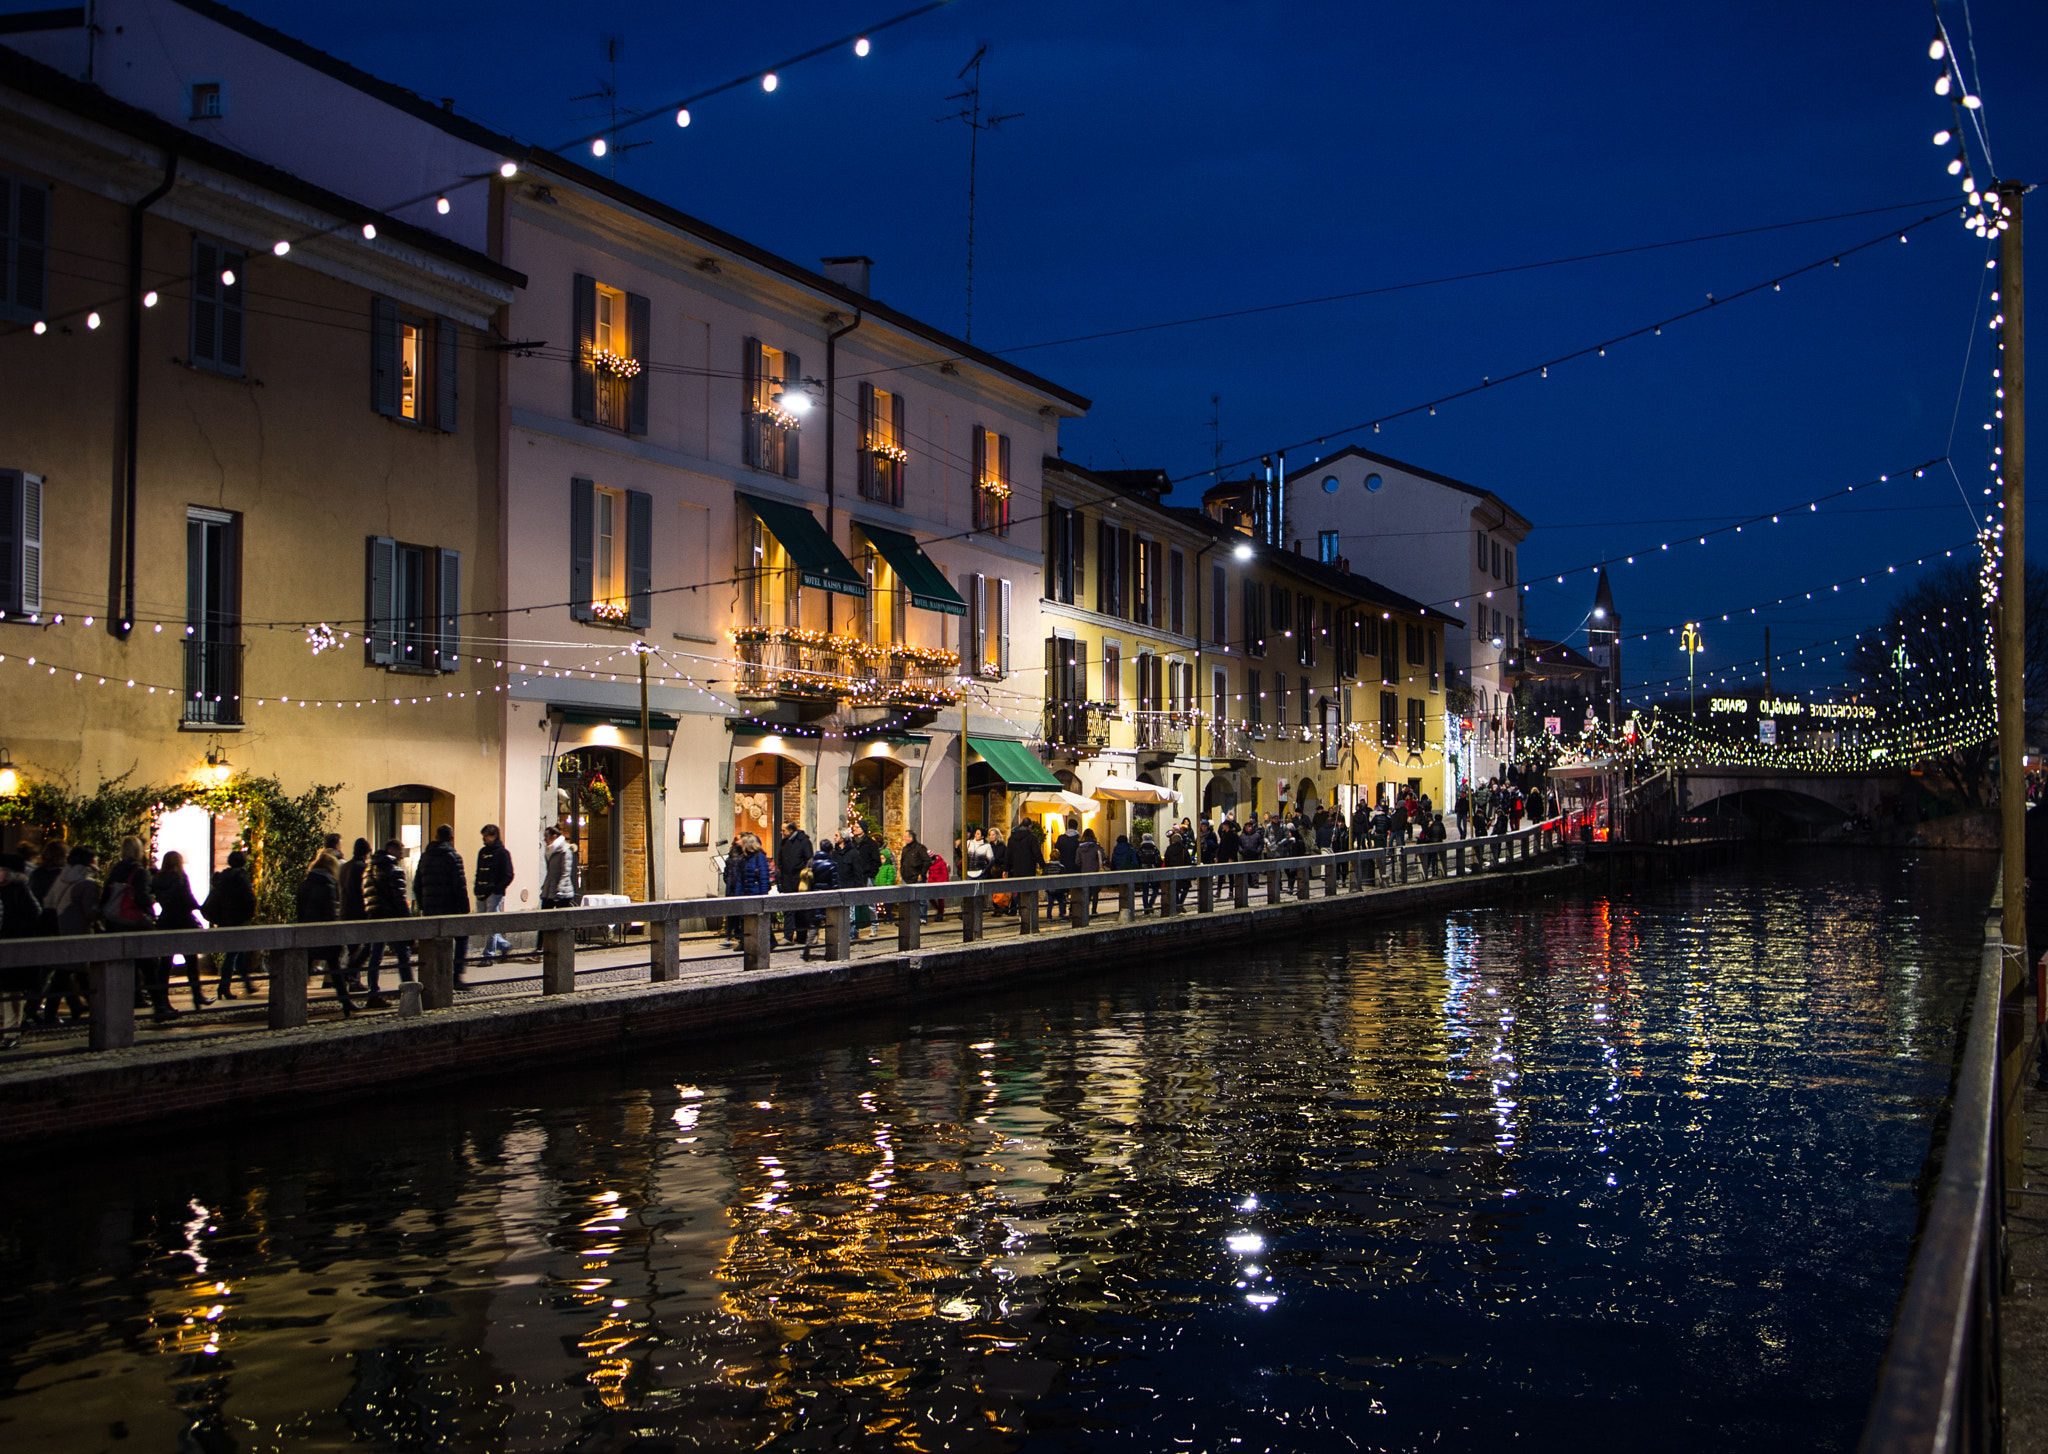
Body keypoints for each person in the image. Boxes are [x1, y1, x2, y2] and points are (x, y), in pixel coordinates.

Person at [101, 836, 169, 1020]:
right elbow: (142, 899)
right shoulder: (139, 872)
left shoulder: (116, 870)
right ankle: (160, 1007)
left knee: (123, 965)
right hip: (134, 923)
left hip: (115, 923)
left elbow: (105, 897)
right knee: (149, 965)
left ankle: (129, 1002)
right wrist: (152, 901)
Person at [39, 845, 98, 1024]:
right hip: (78, 930)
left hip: (59, 928)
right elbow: (91, 911)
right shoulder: (88, 882)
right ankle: (100, 1011)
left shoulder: (64, 876)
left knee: (66, 972)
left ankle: (57, 1011)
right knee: (76, 973)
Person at [414, 824, 472, 986]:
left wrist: (422, 905)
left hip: (430, 908)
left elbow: (417, 885)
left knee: (432, 942)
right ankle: (456, 976)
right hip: (450, 907)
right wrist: (464, 908)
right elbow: (460, 885)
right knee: (461, 938)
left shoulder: (425, 857)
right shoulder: (453, 857)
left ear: (436, 837)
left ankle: (432, 976)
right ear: (452, 838)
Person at [297, 848, 353, 1016]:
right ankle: (345, 1003)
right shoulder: (328, 884)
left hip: (308, 933)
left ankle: (296, 1005)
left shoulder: (305, 883)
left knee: (304, 971)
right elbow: (331, 912)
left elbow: (300, 911)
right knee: (335, 971)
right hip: (326, 934)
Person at [154, 850, 209, 1011]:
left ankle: (163, 1000)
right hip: (183, 922)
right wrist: (199, 907)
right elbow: (187, 898)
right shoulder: (180, 877)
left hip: (165, 922)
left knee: (165, 963)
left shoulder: (158, 878)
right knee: (191, 960)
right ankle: (197, 995)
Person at [0, 852, 44, 1048]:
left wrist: (12, 928)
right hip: (8, 947)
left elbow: (34, 915)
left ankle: (11, 1033)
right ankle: (11, 1031)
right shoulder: (13, 891)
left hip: (13, 947)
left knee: (10, 993)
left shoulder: (19, 891)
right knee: (9, 993)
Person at [202, 849, 259, 999]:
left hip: (225, 921)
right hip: (238, 920)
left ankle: (246, 983)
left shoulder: (223, 878)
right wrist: (250, 913)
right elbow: (249, 899)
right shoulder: (241, 877)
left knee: (237, 953)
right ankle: (224, 986)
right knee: (233, 954)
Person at [361, 839, 413, 1003]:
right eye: (399, 851)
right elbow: (399, 899)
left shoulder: (369, 869)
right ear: (391, 850)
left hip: (375, 917)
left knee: (375, 956)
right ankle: (409, 989)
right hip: (392, 918)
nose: (401, 855)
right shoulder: (394, 870)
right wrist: (407, 921)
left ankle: (373, 992)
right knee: (403, 954)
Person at [474, 824, 515, 965]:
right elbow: (479, 872)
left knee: (490, 924)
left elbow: (508, 875)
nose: (484, 839)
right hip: (482, 892)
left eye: (486, 835)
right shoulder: (482, 852)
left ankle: (488, 955)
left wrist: (497, 889)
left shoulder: (502, 853)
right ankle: (503, 945)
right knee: (482, 923)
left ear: (494, 836)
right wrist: (477, 888)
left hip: (494, 894)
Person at [338, 838, 372, 988]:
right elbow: (364, 892)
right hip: (359, 912)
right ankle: (351, 972)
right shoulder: (362, 868)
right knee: (366, 947)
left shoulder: (345, 867)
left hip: (346, 911)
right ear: (366, 852)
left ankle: (354, 980)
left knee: (353, 948)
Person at [776, 820, 813, 946]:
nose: (782, 832)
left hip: (800, 880)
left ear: (791, 830)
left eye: (784, 830)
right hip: (787, 880)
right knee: (788, 909)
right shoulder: (784, 842)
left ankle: (802, 935)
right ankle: (788, 935)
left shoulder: (803, 842)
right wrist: (780, 879)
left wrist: (804, 875)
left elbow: (809, 860)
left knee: (801, 910)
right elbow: (780, 861)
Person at [802, 837, 839, 959]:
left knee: (814, 925)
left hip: (813, 896)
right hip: (827, 898)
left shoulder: (811, 862)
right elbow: (835, 884)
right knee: (830, 925)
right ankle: (831, 951)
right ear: (830, 850)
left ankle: (807, 948)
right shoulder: (832, 864)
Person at [541, 824, 578, 909]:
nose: (544, 839)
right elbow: (549, 872)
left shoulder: (564, 850)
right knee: (545, 914)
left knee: (561, 918)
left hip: (562, 891)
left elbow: (566, 872)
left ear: (554, 837)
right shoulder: (549, 851)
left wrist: (560, 890)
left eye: (546, 836)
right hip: (549, 889)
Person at [1075, 828, 1104, 914]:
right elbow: (1102, 858)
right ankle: (1094, 911)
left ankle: (1085, 911)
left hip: (1085, 872)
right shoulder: (1097, 847)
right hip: (1095, 872)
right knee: (1095, 893)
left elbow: (1077, 862)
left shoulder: (1079, 849)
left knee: (1086, 893)